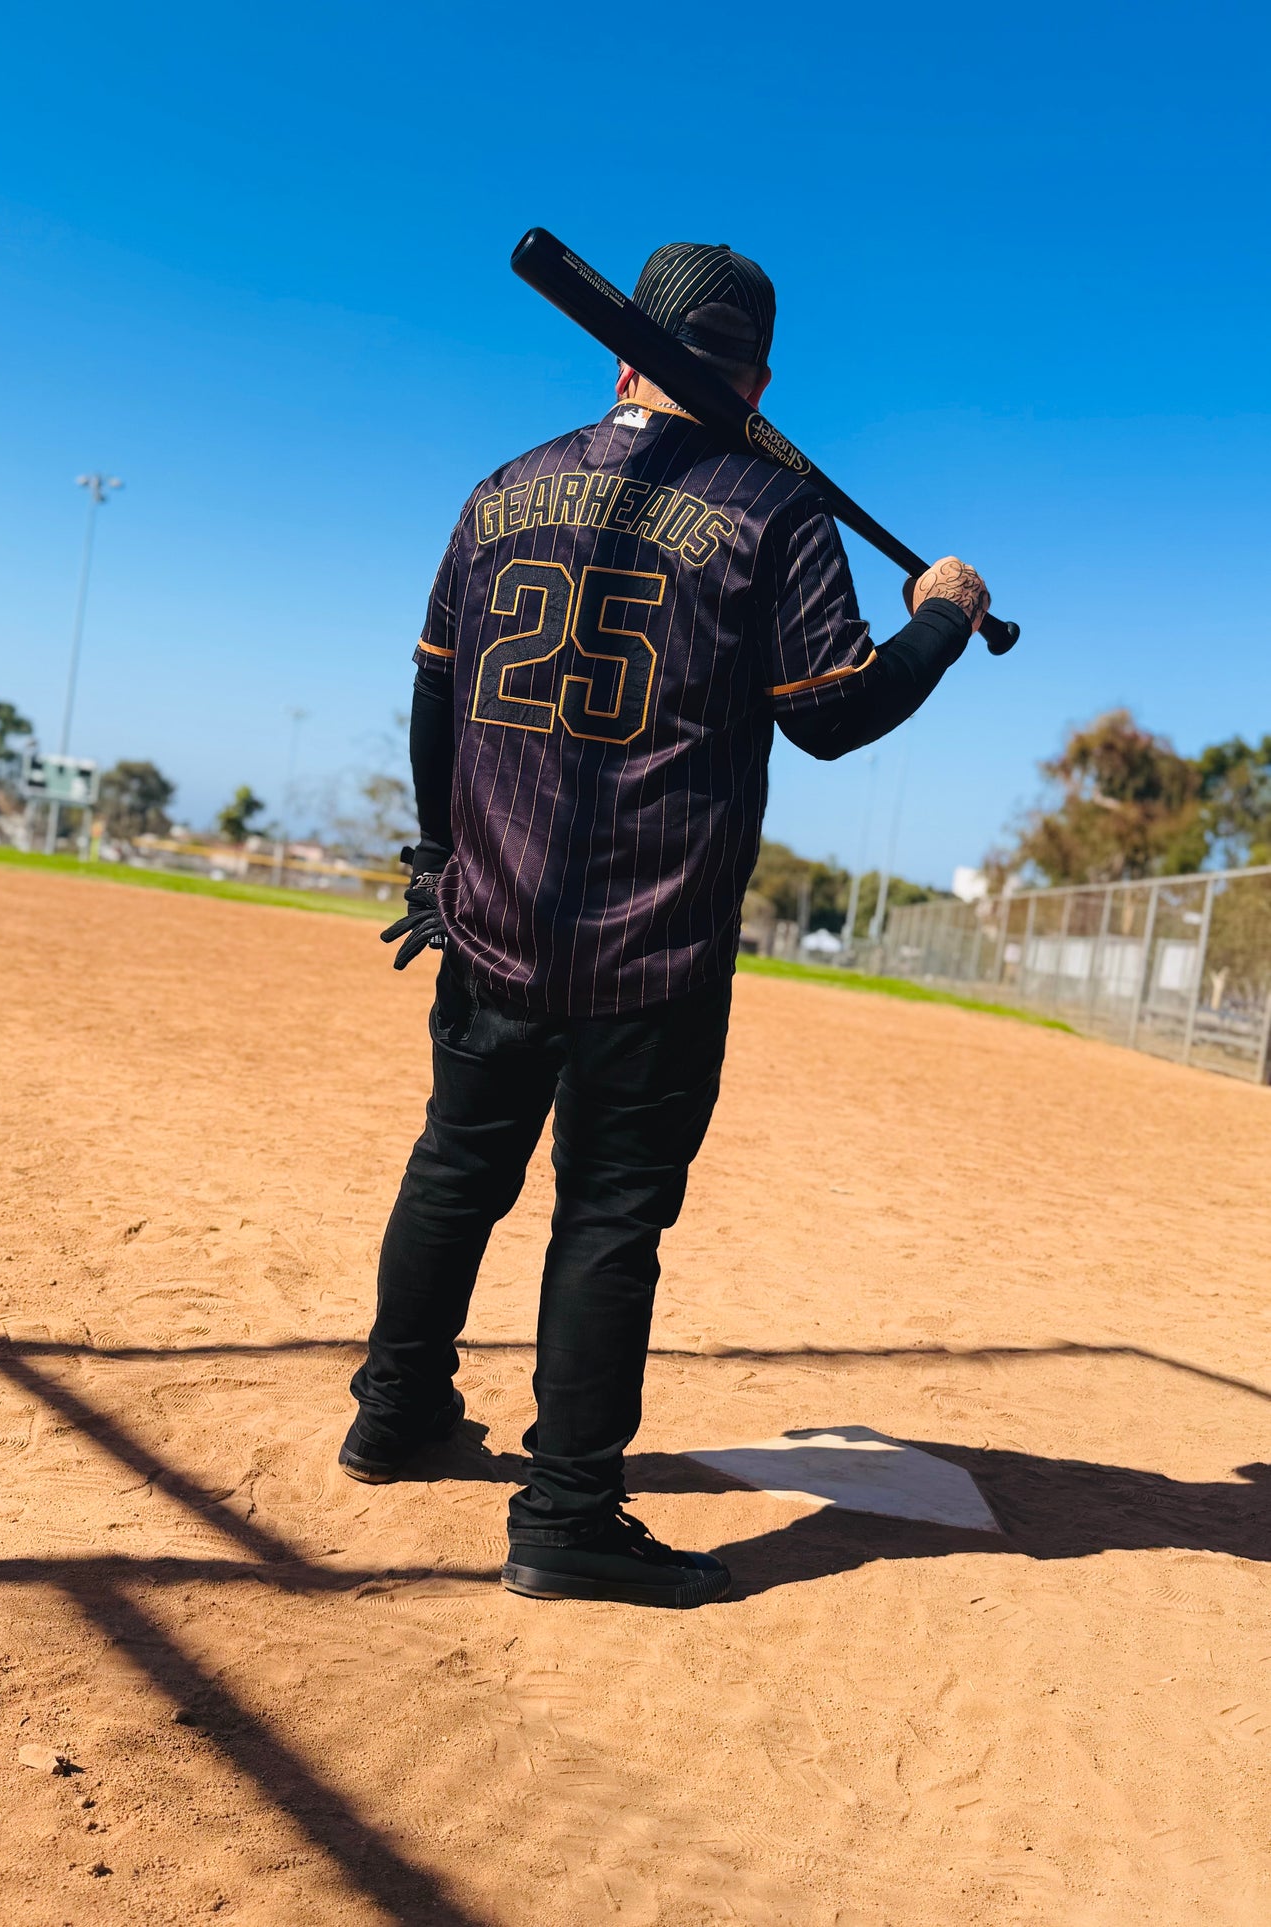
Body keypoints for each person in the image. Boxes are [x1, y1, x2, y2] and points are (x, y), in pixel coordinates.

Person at [339, 241, 990, 1608]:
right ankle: (565, 1512)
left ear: (620, 354)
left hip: (492, 916)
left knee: (455, 1168)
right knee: (607, 1219)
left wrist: (437, 859)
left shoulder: (503, 486)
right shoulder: (771, 510)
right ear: (754, 378)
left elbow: (432, 699)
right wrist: (936, 618)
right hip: (656, 942)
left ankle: (392, 1417)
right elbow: (832, 714)